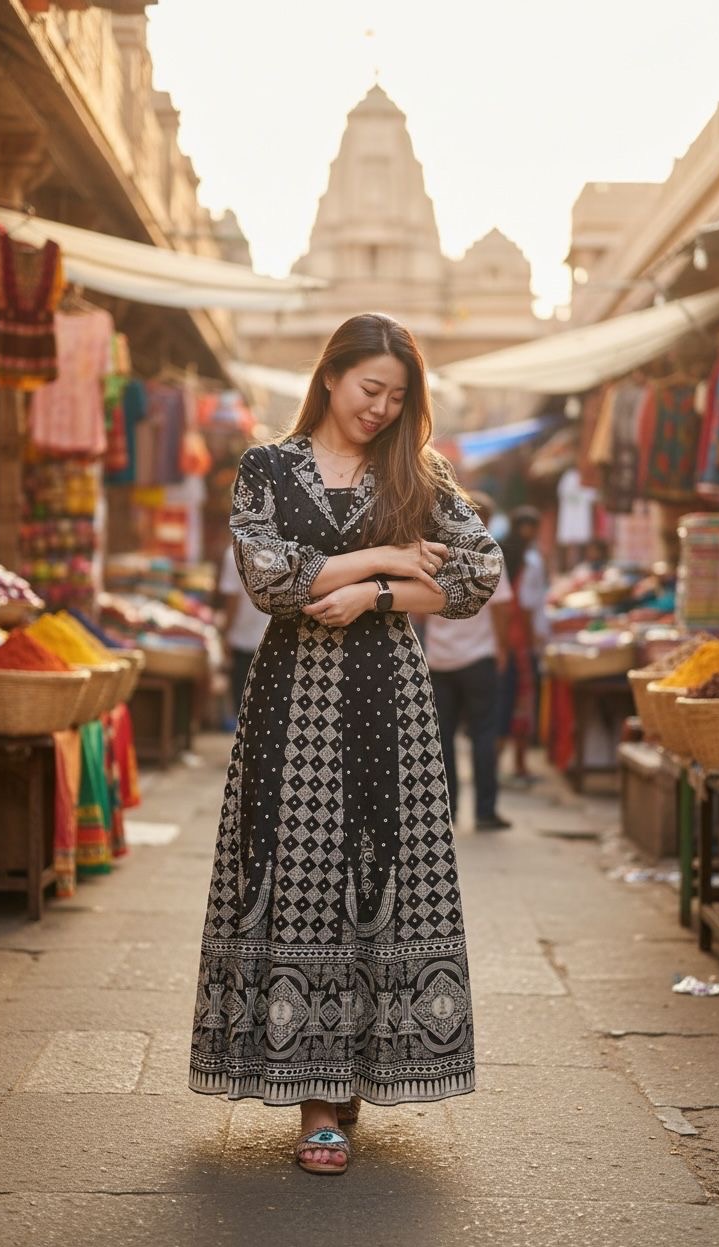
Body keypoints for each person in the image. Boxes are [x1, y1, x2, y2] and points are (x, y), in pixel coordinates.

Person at [188, 313, 502, 1177]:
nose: (382, 408)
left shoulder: (420, 471)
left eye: (398, 397)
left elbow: (476, 574)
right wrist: (392, 555)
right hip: (292, 702)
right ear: (330, 378)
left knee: (380, 876)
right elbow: (268, 578)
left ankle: (344, 1078)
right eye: (371, 389)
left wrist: (380, 596)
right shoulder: (267, 466)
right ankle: (318, 1097)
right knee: (299, 875)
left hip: (391, 699)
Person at [426, 491, 513, 831]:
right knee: (483, 734)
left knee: (442, 738)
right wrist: (502, 648)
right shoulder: (489, 557)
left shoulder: (435, 555)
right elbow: (503, 608)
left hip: (440, 660)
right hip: (478, 659)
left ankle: (446, 812)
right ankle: (485, 811)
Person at [499, 506, 548, 784]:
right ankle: (517, 764)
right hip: (519, 645)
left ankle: (494, 768)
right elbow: (526, 609)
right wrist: (530, 644)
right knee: (520, 704)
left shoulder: (502, 554)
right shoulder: (529, 562)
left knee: (502, 705)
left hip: (503, 643)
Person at [219, 542, 269, 714]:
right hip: (271, 638)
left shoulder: (233, 552)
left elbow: (232, 601)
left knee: (243, 704)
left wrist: (225, 634)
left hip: (243, 639)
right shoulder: (279, 549)